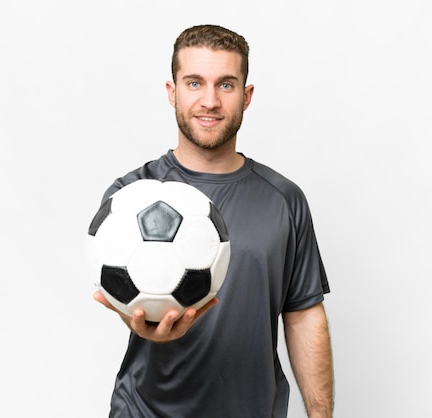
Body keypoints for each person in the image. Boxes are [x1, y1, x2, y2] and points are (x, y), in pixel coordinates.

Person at [92, 24, 333, 418]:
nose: (209, 100)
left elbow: (303, 314)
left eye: (225, 85)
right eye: (193, 83)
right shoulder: (130, 197)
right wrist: (137, 322)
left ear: (246, 95)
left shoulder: (284, 199)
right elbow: (126, 298)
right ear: (172, 92)